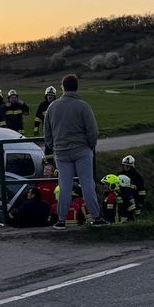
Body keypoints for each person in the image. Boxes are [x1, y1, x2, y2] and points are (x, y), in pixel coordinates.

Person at [44, 74, 104, 229]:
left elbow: (47, 133)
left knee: (64, 186)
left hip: (61, 152)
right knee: (87, 184)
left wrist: (54, 146)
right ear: (77, 87)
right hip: (82, 150)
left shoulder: (52, 107)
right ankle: (96, 217)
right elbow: (92, 131)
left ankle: (61, 220)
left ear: (62, 87)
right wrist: (90, 145)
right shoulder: (83, 106)